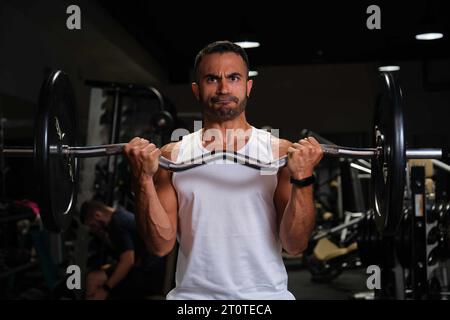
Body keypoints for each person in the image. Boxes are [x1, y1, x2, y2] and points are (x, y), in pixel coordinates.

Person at [123, 40, 323, 299]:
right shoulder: (173, 156)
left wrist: (304, 178)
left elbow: (295, 245)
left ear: (248, 86)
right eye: (212, 79)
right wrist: (142, 179)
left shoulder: (278, 154)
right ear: (196, 89)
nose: (224, 88)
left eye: (233, 77)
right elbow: (160, 245)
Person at [80, 200, 166, 299]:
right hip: (153, 268)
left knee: (93, 280)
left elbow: (128, 260)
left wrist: (106, 288)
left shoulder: (116, 224)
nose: (93, 229)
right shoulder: (120, 215)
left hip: (150, 275)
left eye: (92, 225)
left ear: (98, 215)